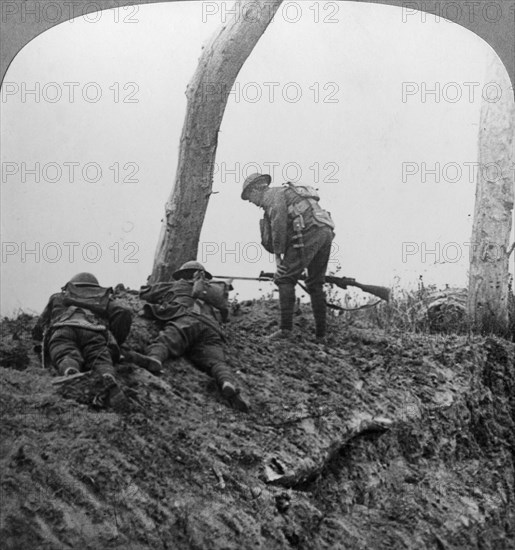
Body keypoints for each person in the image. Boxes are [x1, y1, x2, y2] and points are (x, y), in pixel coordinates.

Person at [135, 261, 249, 413]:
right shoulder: (211, 293)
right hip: (211, 329)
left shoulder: (176, 285)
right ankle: (226, 381)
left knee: (167, 341)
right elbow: (225, 316)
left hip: (186, 319)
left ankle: (155, 358)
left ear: (182, 275)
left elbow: (145, 293)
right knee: (216, 362)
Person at [241, 173, 335, 342]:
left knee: (284, 278)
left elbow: (278, 225)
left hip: (309, 231)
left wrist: (278, 258)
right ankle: (321, 336)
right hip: (324, 230)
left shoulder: (272, 196)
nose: (251, 202)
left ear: (256, 190)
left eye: (250, 197)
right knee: (315, 283)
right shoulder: (283, 193)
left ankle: (285, 331)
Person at [32, 272, 132, 388]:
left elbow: (41, 324)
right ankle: (106, 374)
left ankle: (70, 369)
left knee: (65, 353)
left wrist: (37, 338)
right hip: (94, 331)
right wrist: (115, 340)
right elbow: (123, 312)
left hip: (63, 329)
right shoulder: (103, 298)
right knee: (99, 357)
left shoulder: (58, 297)